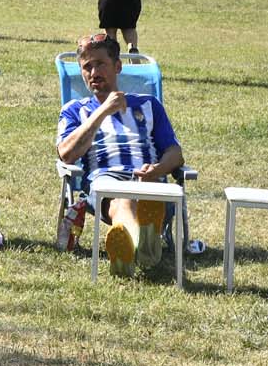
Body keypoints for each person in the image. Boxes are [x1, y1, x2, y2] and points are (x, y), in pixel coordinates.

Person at [57, 32, 183, 276]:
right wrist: (102, 111)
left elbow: (175, 153)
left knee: (145, 197)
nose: (93, 73)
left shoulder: (148, 104)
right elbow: (67, 154)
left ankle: (132, 244)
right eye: (87, 67)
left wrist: (158, 169)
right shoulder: (74, 111)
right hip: (105, 181)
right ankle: (141, 242)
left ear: (117, 66)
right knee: (121, 199)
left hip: (149, 180)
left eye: (100, 64)